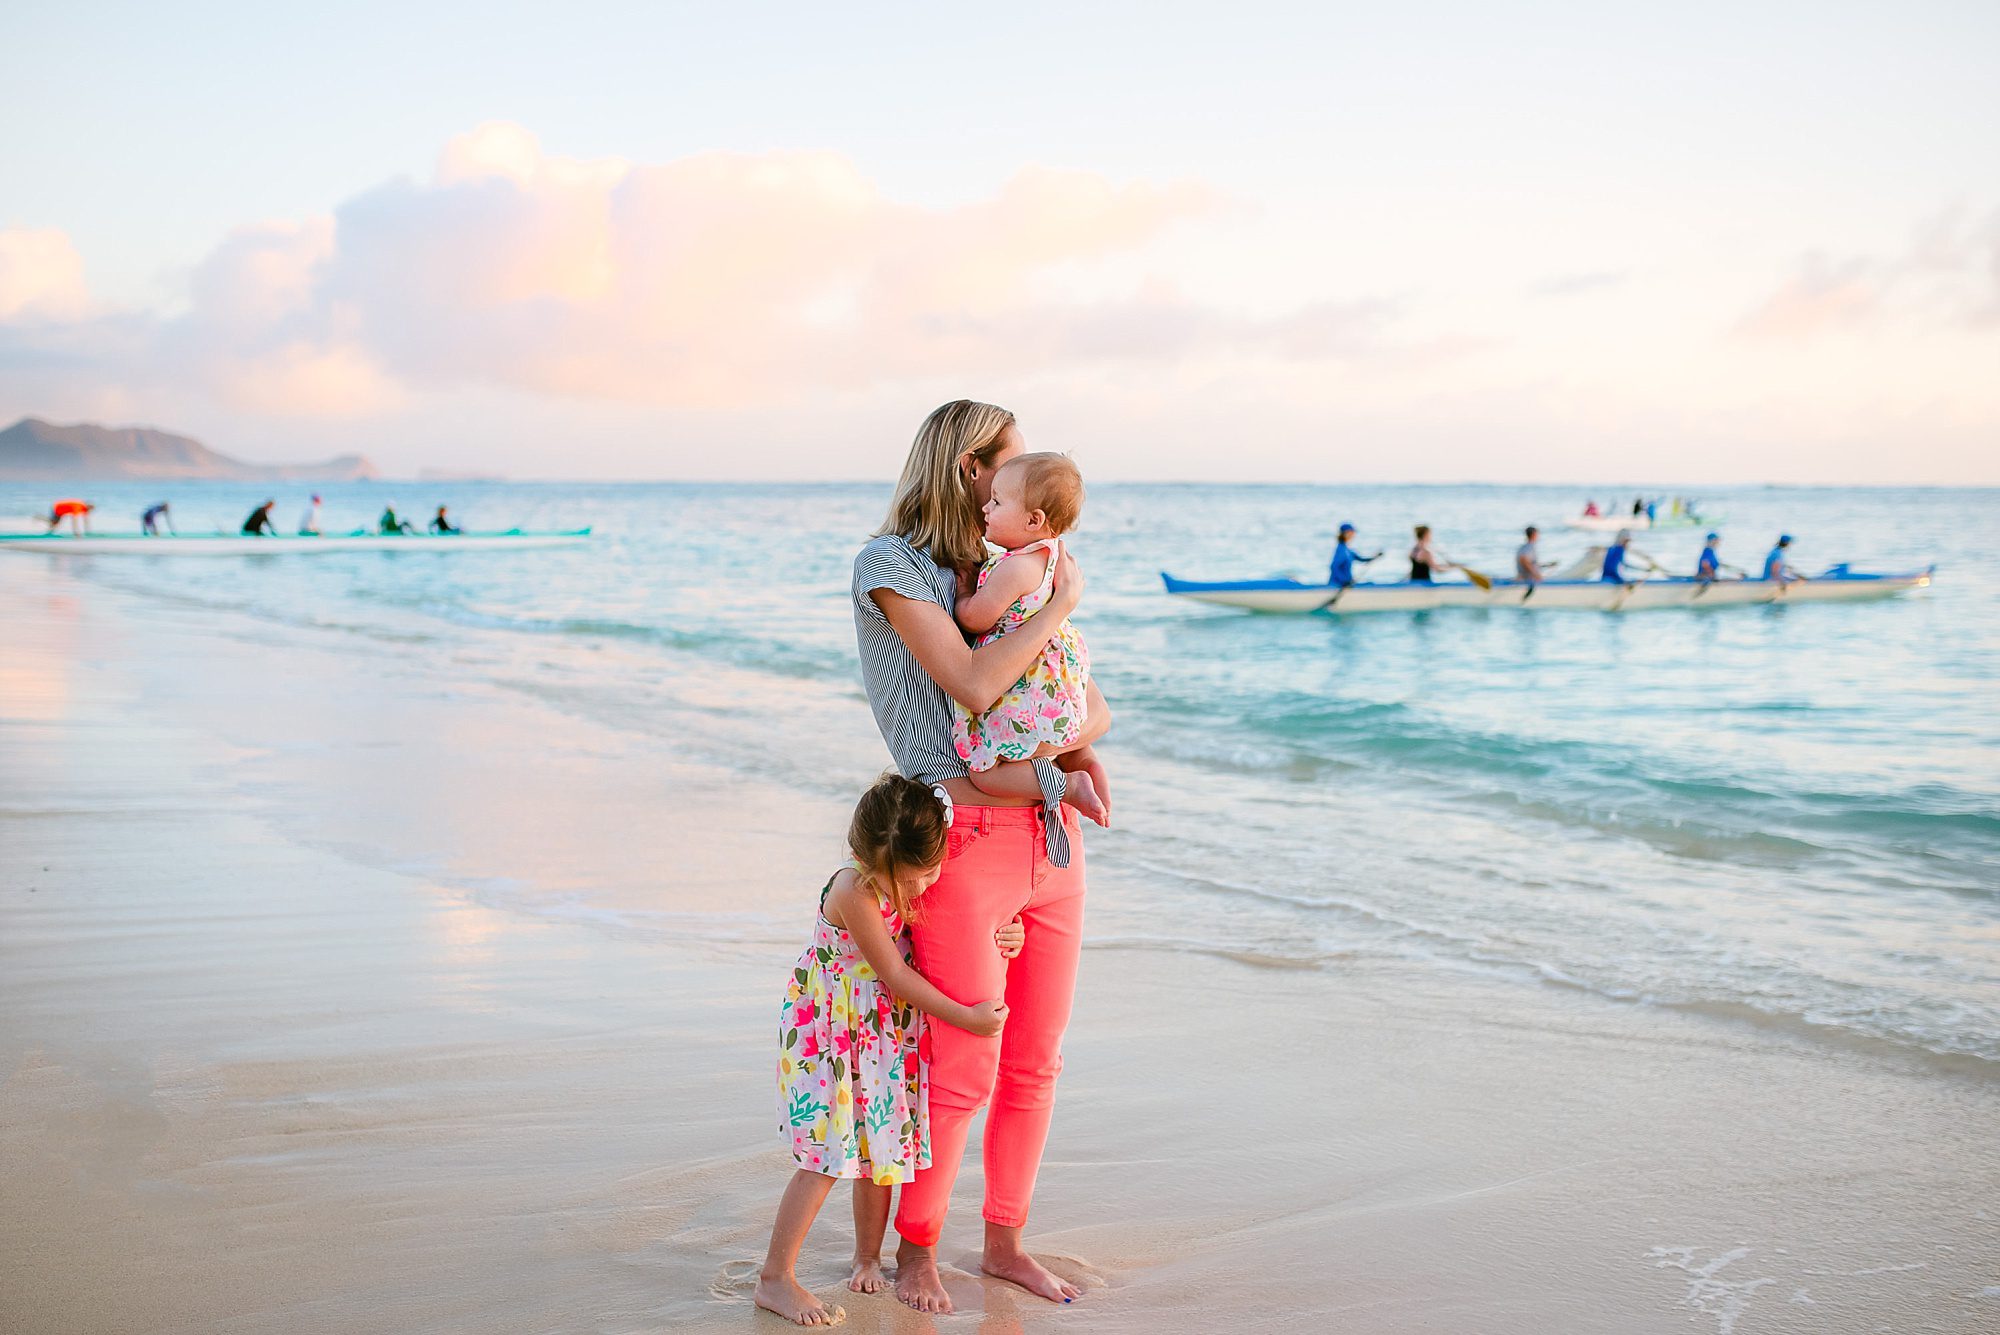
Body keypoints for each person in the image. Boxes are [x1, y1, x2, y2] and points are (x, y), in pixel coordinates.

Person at [852, 399, 1109, 1313]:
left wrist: (1073, 748)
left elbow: (1094, 706)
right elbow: (971, 682)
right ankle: (918, 1250)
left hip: (1051, 838)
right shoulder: (895, 567)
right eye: (1007, 460)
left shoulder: (1012, 568)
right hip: (958, 839)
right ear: (970, 469)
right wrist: (1066, 603)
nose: (1018, 472)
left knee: (1036, 1060)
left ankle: (1004, 1241)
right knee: (960, 1067)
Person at [755, 773, 1025, 1327]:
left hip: (876, 1034)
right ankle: (774, 1278)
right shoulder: (855, 889)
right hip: (832, 1037)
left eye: (928, 873)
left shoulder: (905, 874)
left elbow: (961, 924)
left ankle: (865, 1257)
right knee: (826, 1159)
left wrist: (1007, 930)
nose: (922, 888)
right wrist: (967, 1018)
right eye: (911, 880)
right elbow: (896, 974)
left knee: (880, 1149)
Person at [950, 453, 1104, 822]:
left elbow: (975, 619)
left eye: (998, 502)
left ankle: (1069, 787)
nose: (985, 506)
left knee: (983, 771)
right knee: (1027, 751)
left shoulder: (1017, 567)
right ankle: (1079, 767)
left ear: (1034, 520)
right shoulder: (1048, 558)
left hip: (1026, 679)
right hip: (1049, 669)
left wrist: (963, 592)